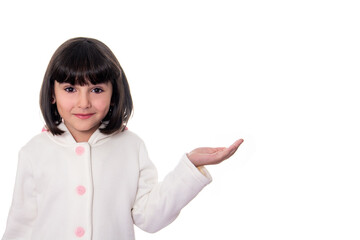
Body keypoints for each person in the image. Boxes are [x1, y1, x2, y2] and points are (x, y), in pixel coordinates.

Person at [1, 37, 243, 240]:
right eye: (70, 89)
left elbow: (150, 217)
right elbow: (21, 225)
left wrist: (190, 166)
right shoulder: (34, 151)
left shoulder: (131, 147)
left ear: (114, 93)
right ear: (52, 94)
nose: (83, 102)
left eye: (96, 90)